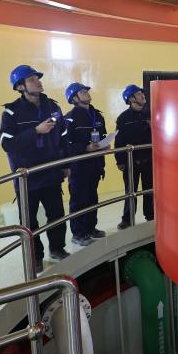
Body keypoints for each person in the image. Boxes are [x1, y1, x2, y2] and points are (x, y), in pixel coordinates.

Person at [0, 65, 71, 274]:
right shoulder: (11, 112)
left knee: (56, 215)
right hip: (27, 178)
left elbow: (64, 137)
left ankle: (57, 248)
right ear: (20, 87)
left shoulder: (53, 107)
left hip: (51, 173)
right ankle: (36, 257)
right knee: (29, 222)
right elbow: (7, 143)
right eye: (32, 79)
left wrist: (65, 163)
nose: (38, 82)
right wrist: (35, 131)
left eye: (37, 78)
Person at [63, 82, 106, 245]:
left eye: (87, 91)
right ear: (74, 98)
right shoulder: (69, 118)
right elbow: (66, 145)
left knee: (92, 198)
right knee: (78, 201)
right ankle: (78, 233)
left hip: (95, 165)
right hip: (78, 167)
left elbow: (103, 135)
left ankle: (90, 228)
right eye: (82, 92)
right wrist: (85, 148)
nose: (87, 93)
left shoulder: (97, 115)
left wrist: (104, 144)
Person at [115, 84, 154, 229]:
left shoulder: (150, 114)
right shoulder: (123, 118)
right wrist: (119, 160)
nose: (143, 95)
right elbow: (119, 141)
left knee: (149, 190)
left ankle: (151, 216)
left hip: (149, 160)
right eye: (139, 93)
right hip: (131, 162)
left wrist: (153, 127)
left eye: (142, 93)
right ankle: (127, 219)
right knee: (131, 191)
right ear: (131, 98)